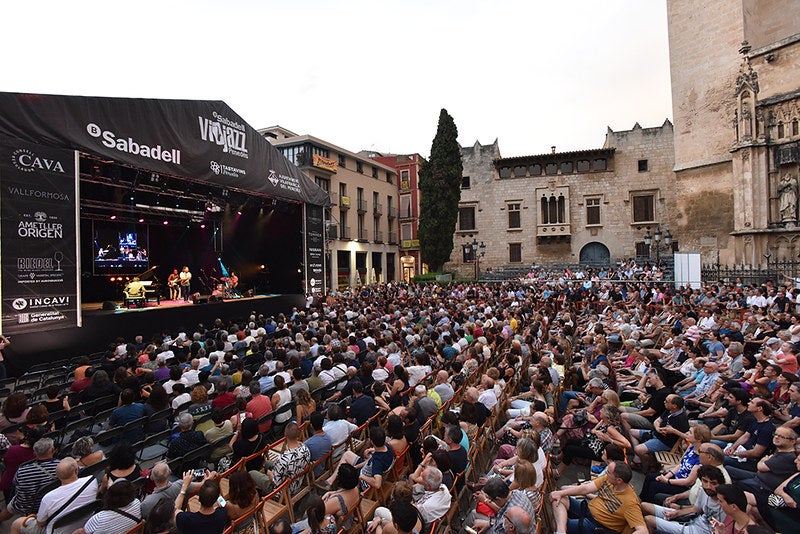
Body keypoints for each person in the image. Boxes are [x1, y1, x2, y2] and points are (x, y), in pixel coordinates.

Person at [549, 461, 647, 534]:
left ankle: (561, 529)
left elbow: (643, 530)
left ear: (619, 480)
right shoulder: (609, 479)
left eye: (608, 472)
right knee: (557, 498)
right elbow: (586, 488)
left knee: (555, 523)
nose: (606, 473)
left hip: (597, 525)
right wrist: (561, 493)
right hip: (588, 509)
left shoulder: (630, 502)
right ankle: (561, 531)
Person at [9, 457, 98, 534]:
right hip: (83, 524)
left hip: (55, 531)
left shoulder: (48, 498)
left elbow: (40, 523)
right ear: (76, 470)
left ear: (57, 476)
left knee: (16, 524)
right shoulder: (92, 481)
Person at [641, 465, 727, 534]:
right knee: (644, 506)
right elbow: (695, 509)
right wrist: (677, 512)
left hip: (695, 530)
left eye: (713, 483)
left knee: (649, 520)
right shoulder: (703, 491)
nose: (708, 486)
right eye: (705, 481)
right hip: (691, 520)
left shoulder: (726, 503)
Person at [471, 477, 536, 534]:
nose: (490, 502)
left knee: (474, 517)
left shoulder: (509, 516)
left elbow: (500, 523)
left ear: (498, 499)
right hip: (529, 530)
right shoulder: (518, 493)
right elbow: (499, 518)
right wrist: (489, 523)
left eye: (490, 500)